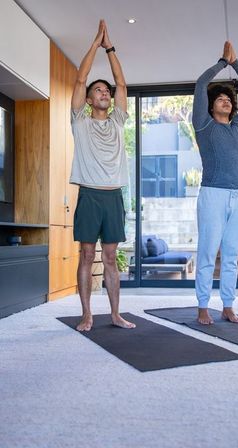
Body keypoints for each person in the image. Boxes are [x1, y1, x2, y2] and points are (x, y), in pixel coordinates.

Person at [70, 19, 135, 331]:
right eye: (98, 89)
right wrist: (95, 43)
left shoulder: (119, 121)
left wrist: (111, 48)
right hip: (89, 194)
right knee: (86, 255)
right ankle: (86, 314)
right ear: (88, 99)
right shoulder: (80, 122)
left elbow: (122, 85)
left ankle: (115, 314)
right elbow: (80, 79)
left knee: (110, 258)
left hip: (113, 195)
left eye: (106, 90)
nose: (105, 91)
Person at [192, 41, 238, 325]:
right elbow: (200, 84)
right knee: (208, 252)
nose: (226, 101)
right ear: (211, 105)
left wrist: (237, 64)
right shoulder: (204, 126)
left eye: (229, 100)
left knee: (232, 255)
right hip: (213, 195)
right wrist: (223, 62)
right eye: (220, 99)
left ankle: (228, 305)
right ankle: (203, 306)